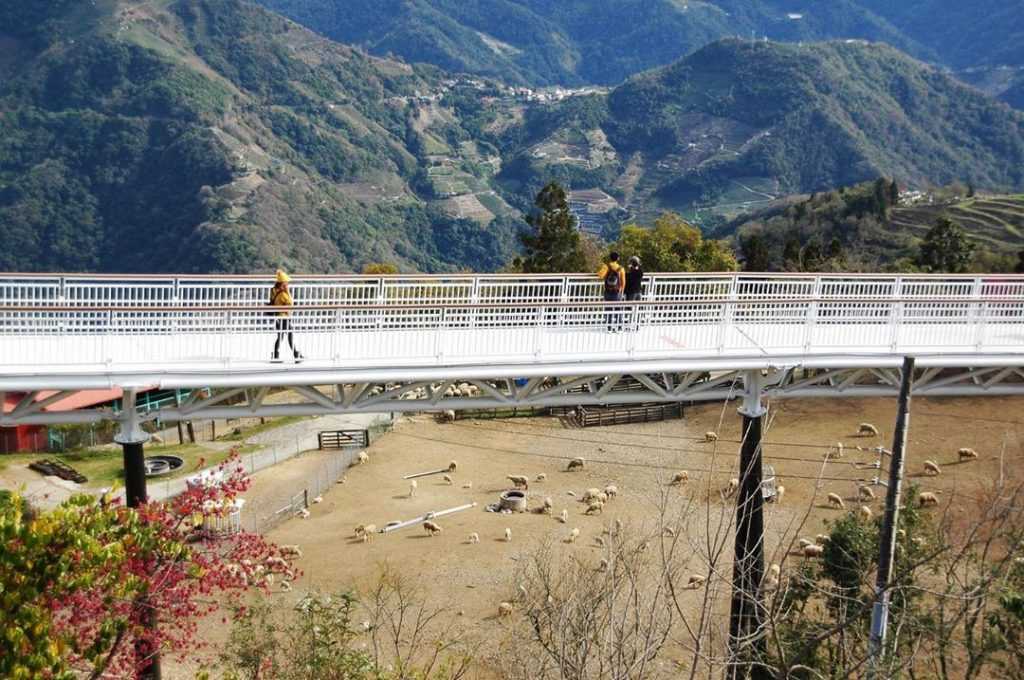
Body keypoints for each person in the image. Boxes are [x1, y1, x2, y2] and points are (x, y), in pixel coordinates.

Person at [270, 269, 303, 362]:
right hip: (284, 317)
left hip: (277, 317)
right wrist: (288, 292)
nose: (288, 285)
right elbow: (291, 303)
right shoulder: (283, 294)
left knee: (280, 336)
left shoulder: (273, 290)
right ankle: (296, 355)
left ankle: (275, 355)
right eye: (286, 283)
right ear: (282, 284)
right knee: (289, 335)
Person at [597, 252, 626, 332]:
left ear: (610, 258)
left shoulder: (606, 266)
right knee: (618, 309)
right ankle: (619, 327)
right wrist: (621, 290)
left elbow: (600, 275)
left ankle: (609, 327)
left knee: (608, 308)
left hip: (608, 291)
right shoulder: (621, 268)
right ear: (617, 258)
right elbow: (623, 282)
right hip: (617, 292)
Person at [624, 256, 644, 331]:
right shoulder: (640, 271)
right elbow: (640, 273)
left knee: (629, 309)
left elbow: (628, 278)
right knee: (638, 309)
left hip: (631, 293)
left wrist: (630, 269)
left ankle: (628, 325)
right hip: (638, 291)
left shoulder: (630, 272)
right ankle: (637, 325)